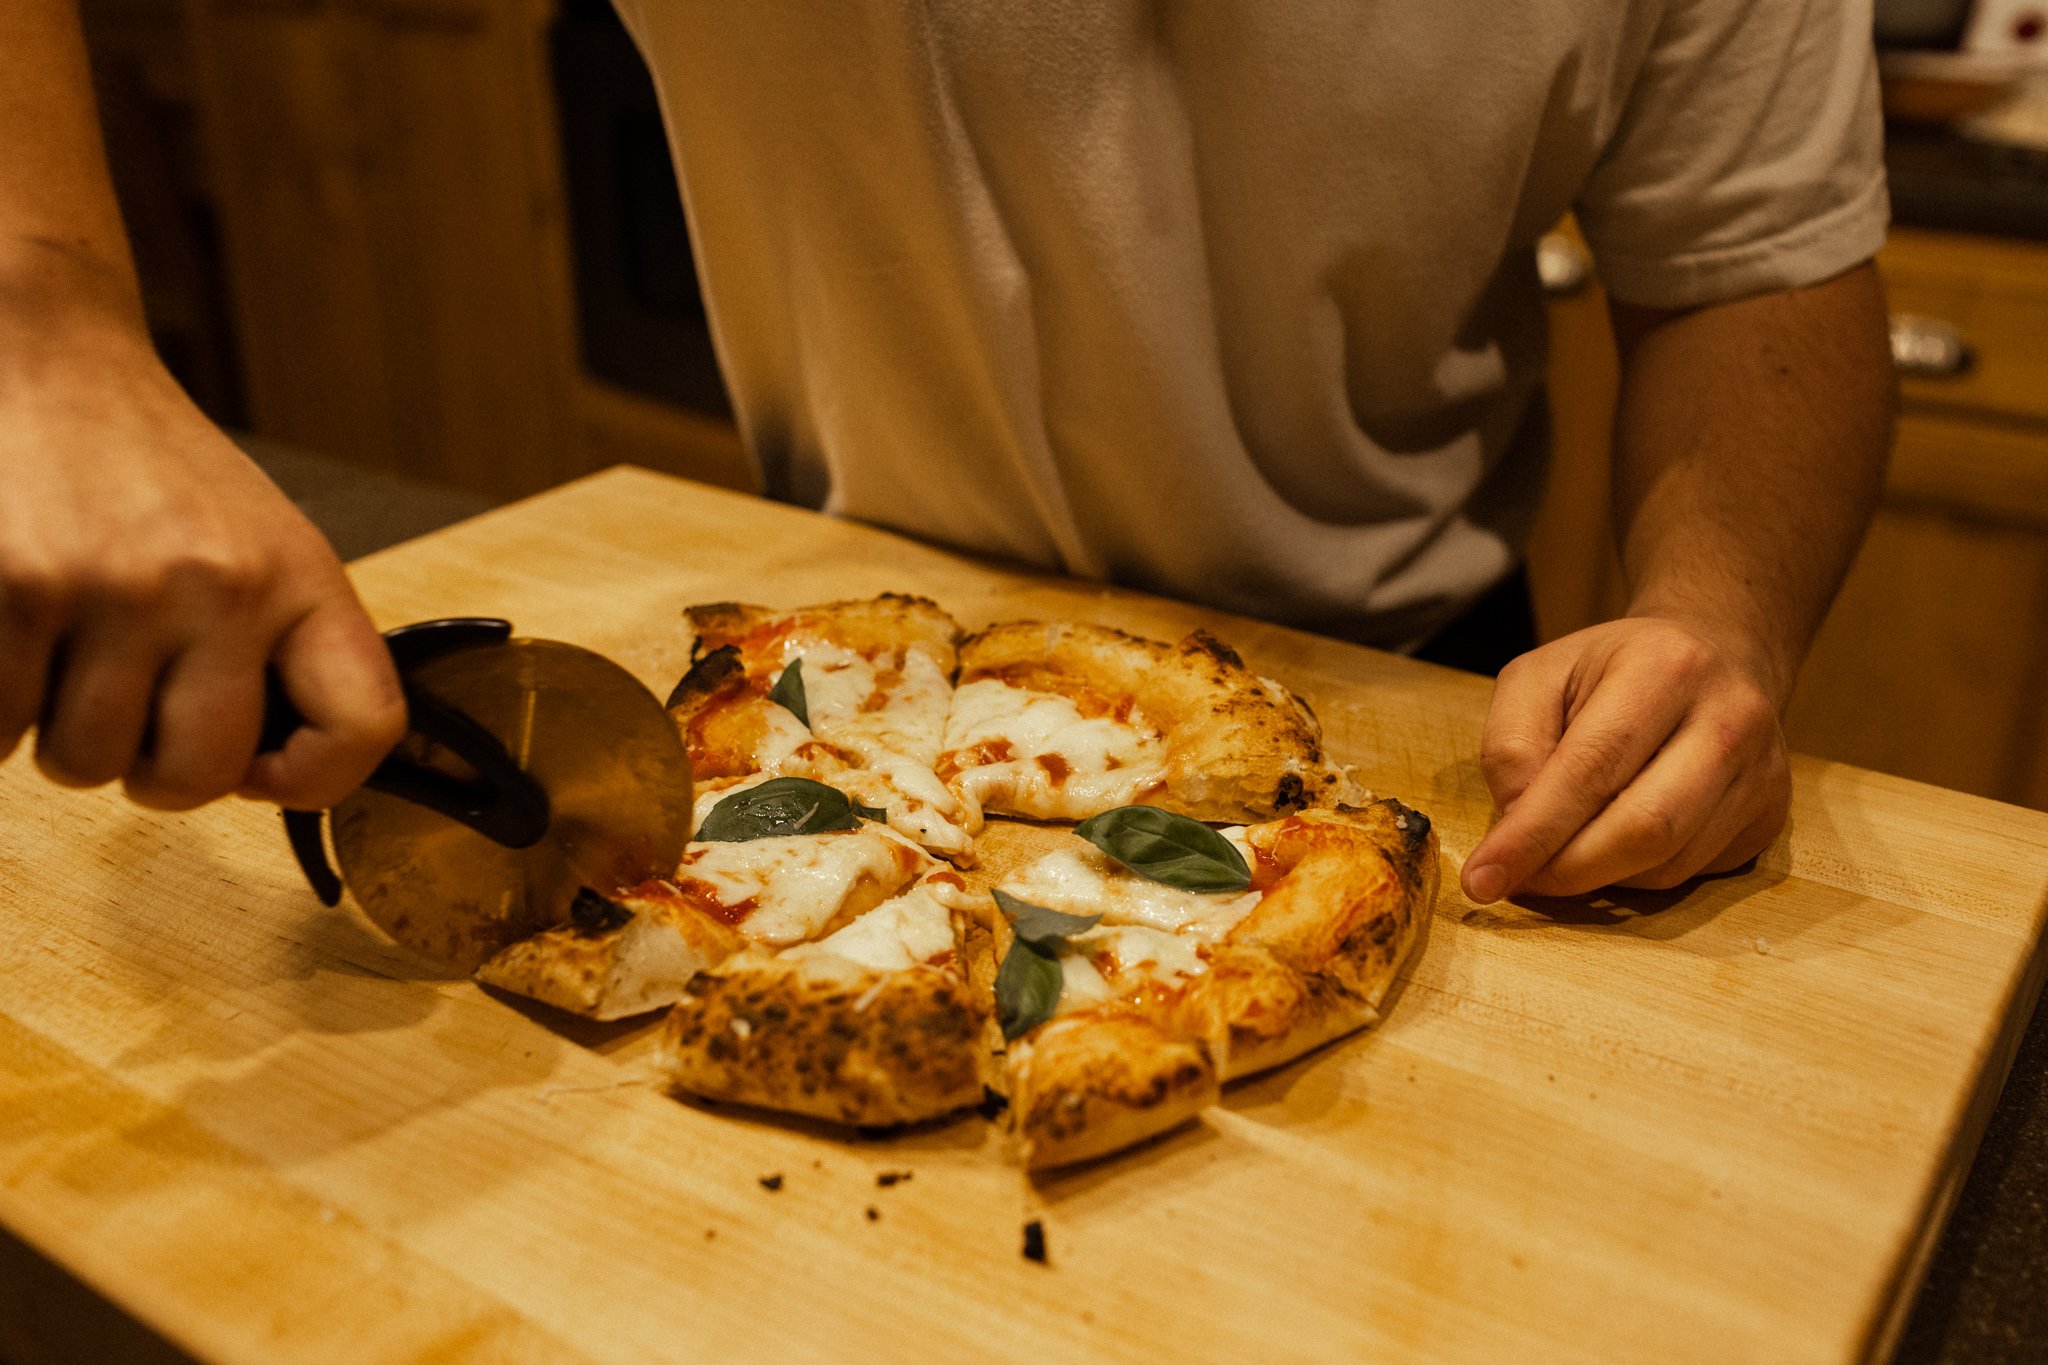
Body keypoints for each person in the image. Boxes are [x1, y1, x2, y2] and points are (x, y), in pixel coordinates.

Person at [0, 0, 1895, 906]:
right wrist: (48, 319)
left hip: (1445, 714)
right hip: (808, 691)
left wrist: (1718, 613)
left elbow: (1751, 266)